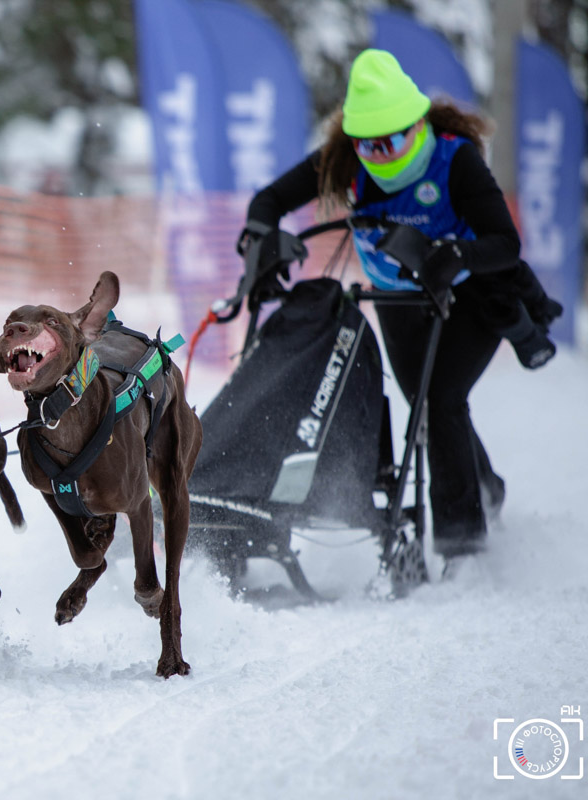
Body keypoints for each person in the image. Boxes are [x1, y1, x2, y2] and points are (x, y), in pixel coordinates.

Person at [238, 49, 563, 561]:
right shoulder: (343, 160)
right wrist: (259, 235)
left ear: (417, 126)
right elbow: (270, 199)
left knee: (441, 399)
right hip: (398, 300)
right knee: (427, 407)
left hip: (471, 295)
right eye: (369, 143)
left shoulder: (455, 160)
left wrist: (453, 254)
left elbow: (505, 244)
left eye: (393, 140)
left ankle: (461, 546)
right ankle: (486, 487)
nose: (382, 153)